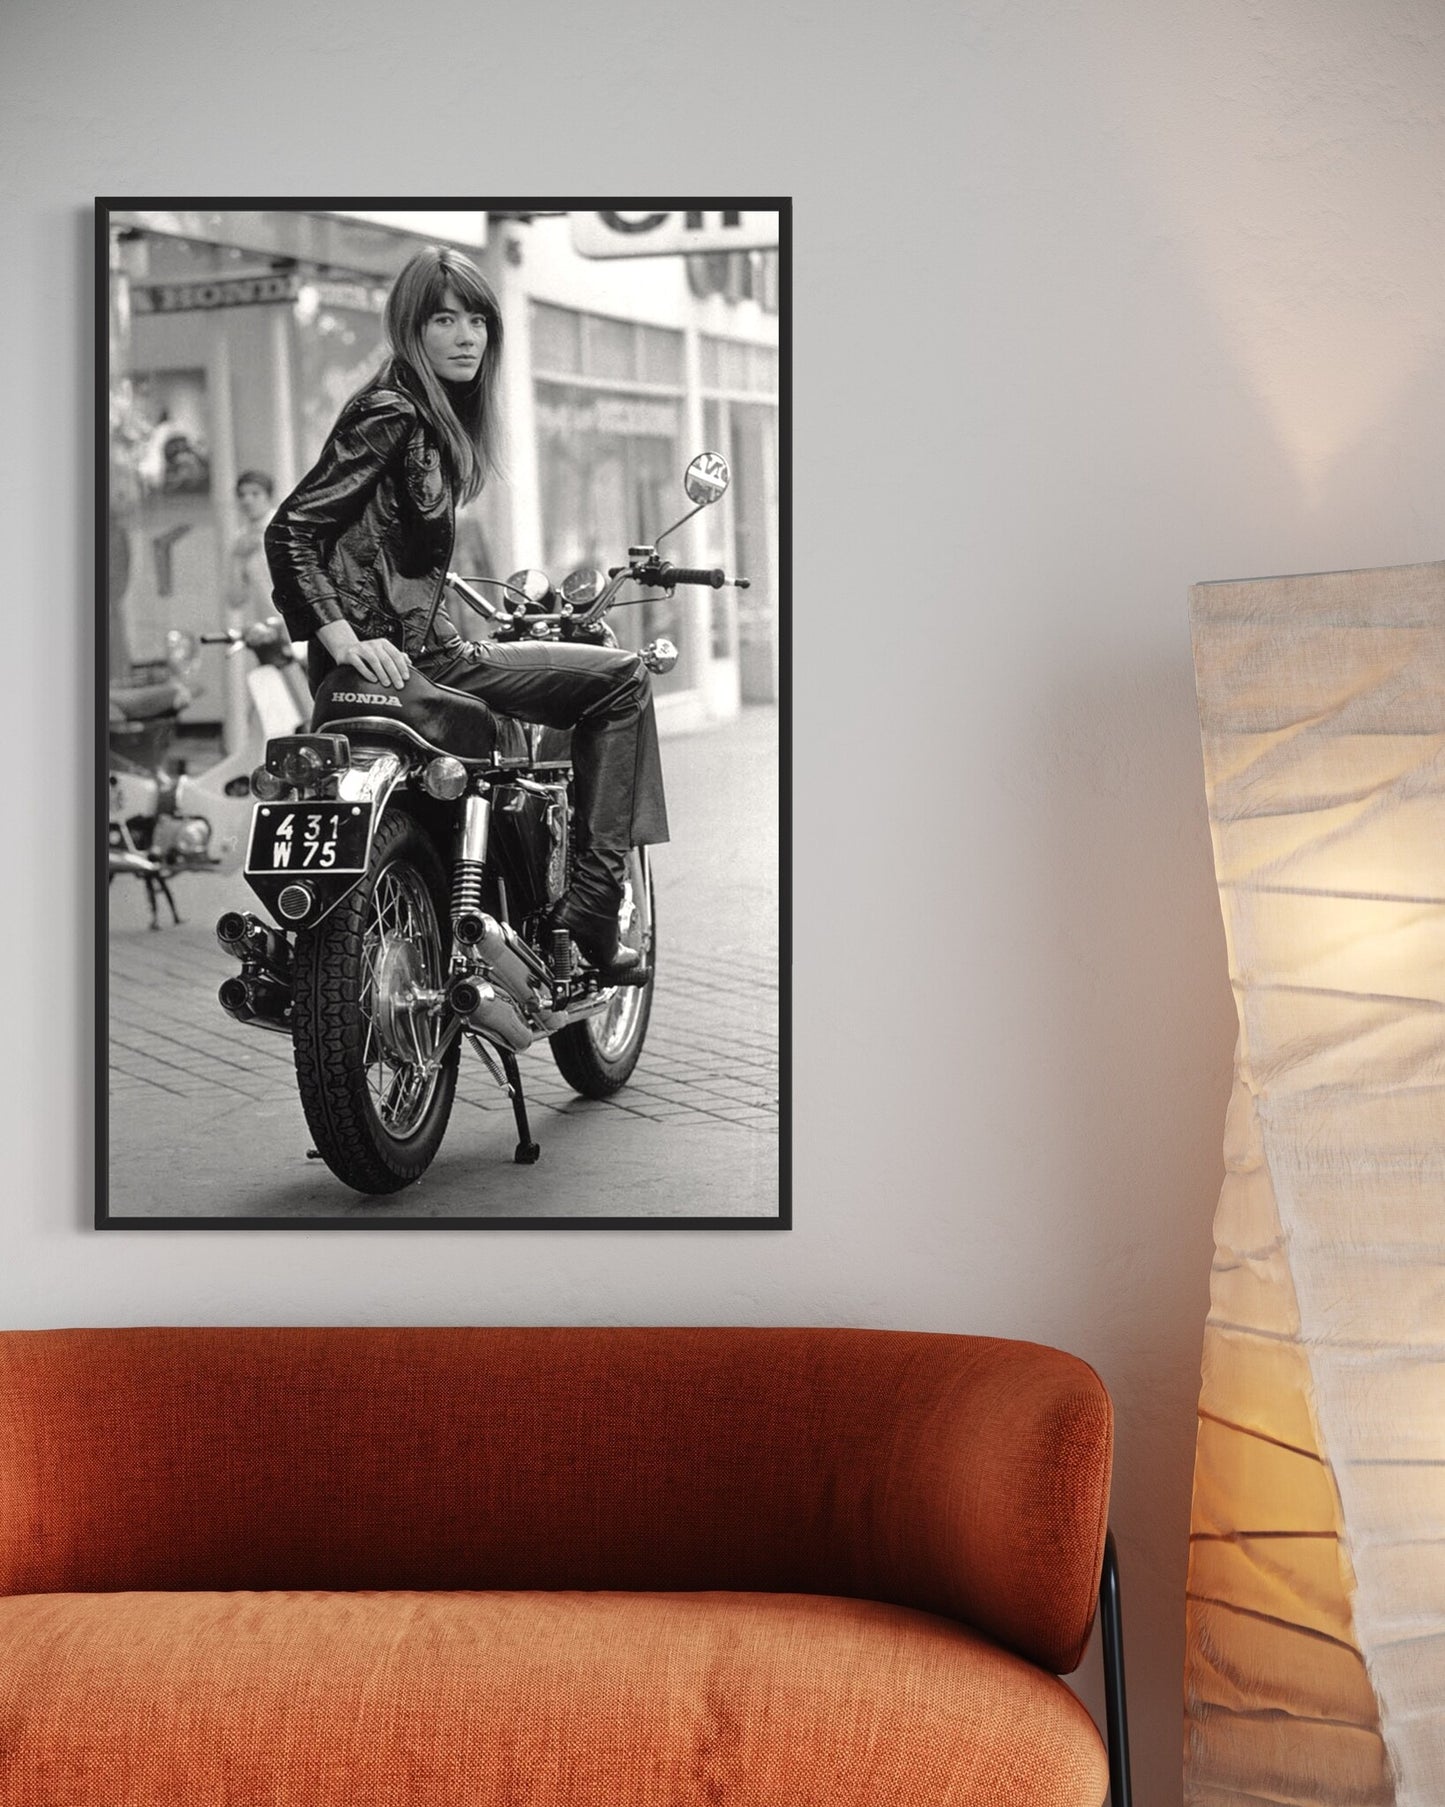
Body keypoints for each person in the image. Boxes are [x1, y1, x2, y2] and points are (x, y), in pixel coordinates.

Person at [264, 246, 666, 976]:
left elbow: (380, 552)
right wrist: (342, 634)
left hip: (406, 648)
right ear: (410, 328)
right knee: (623, 679)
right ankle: (594, 908)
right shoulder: (394, 411)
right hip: (421, 659)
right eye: (443, 319)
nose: (465, 336)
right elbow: (291, 528)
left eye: (477, 320)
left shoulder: (421, 417)